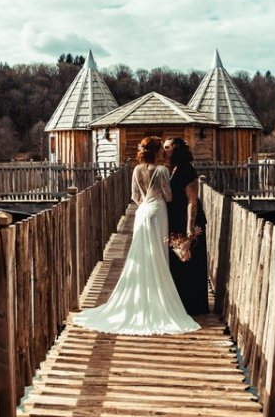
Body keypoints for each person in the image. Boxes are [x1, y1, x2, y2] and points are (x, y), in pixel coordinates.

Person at [73, 136, 200, 335]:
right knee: (158, 254)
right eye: (162, 149)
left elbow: (134, 195)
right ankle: (158, 300)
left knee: (141, 255)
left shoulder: (136, 169)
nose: (164, 153)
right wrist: (159, 199)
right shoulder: (161, 171)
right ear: (157, 151)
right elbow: (168, 196)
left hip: (142, 213)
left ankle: (139, 298)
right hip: (157, 212)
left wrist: (145, 204)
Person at [163, 137, 210, 315]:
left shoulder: (188, 171)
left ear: (175, 149)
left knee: (190, 263)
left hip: (189, 221)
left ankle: (193, 306)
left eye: (166, 147)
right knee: (178, 263)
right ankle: (180, 303)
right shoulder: (173, 169)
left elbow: (192, 201)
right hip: (176, 220)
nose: (163, 150)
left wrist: (189, 226)